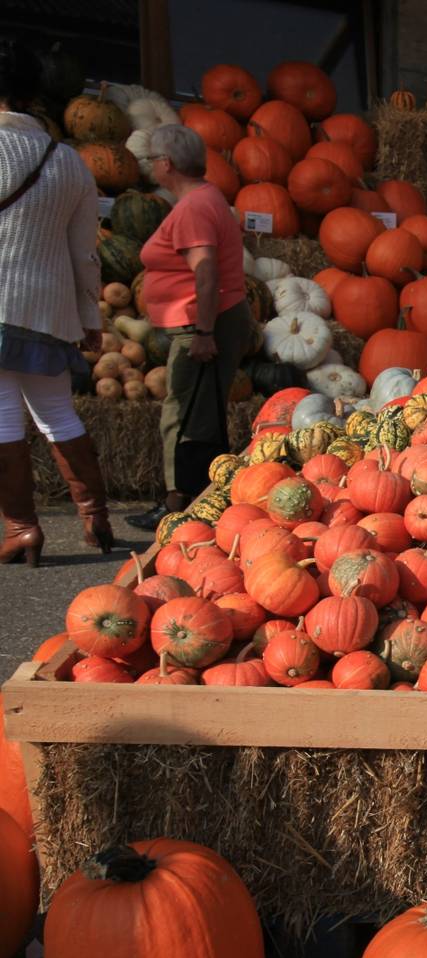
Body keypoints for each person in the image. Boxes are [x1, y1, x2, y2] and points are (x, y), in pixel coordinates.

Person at [0, 35, 113, 564]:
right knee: (57, 414)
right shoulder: (68, 161)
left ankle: (21, 528)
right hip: (49, 311)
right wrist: (89, 317)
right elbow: (85, 254)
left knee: (1, 418)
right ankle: (95, 519)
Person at [125, 123, 250, 532]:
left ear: (167, 164)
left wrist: (204, 332)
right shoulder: (207, 198)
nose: (150, 168)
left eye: (151, 161)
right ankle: (197, 498)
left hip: (201, 321)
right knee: (199, 416)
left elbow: (206, 272)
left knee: (181, 415)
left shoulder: (194, 207)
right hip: (208, 318)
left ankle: (176, 504)